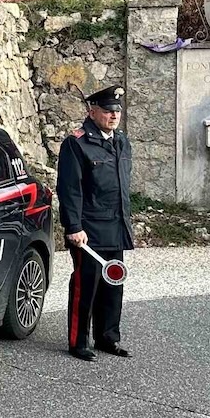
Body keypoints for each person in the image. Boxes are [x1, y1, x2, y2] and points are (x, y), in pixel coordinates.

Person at [56, 84, 135, 361]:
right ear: (92, 111)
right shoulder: (76, 143)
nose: (114, 116)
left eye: (117, 111)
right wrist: (73, 227)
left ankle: (108, 337)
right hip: (89, 229)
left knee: (114, 284)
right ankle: (79, 341)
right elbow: (70, 189)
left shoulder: (121, 141)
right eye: (108, 110)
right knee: (85, 286)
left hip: (115, 225)